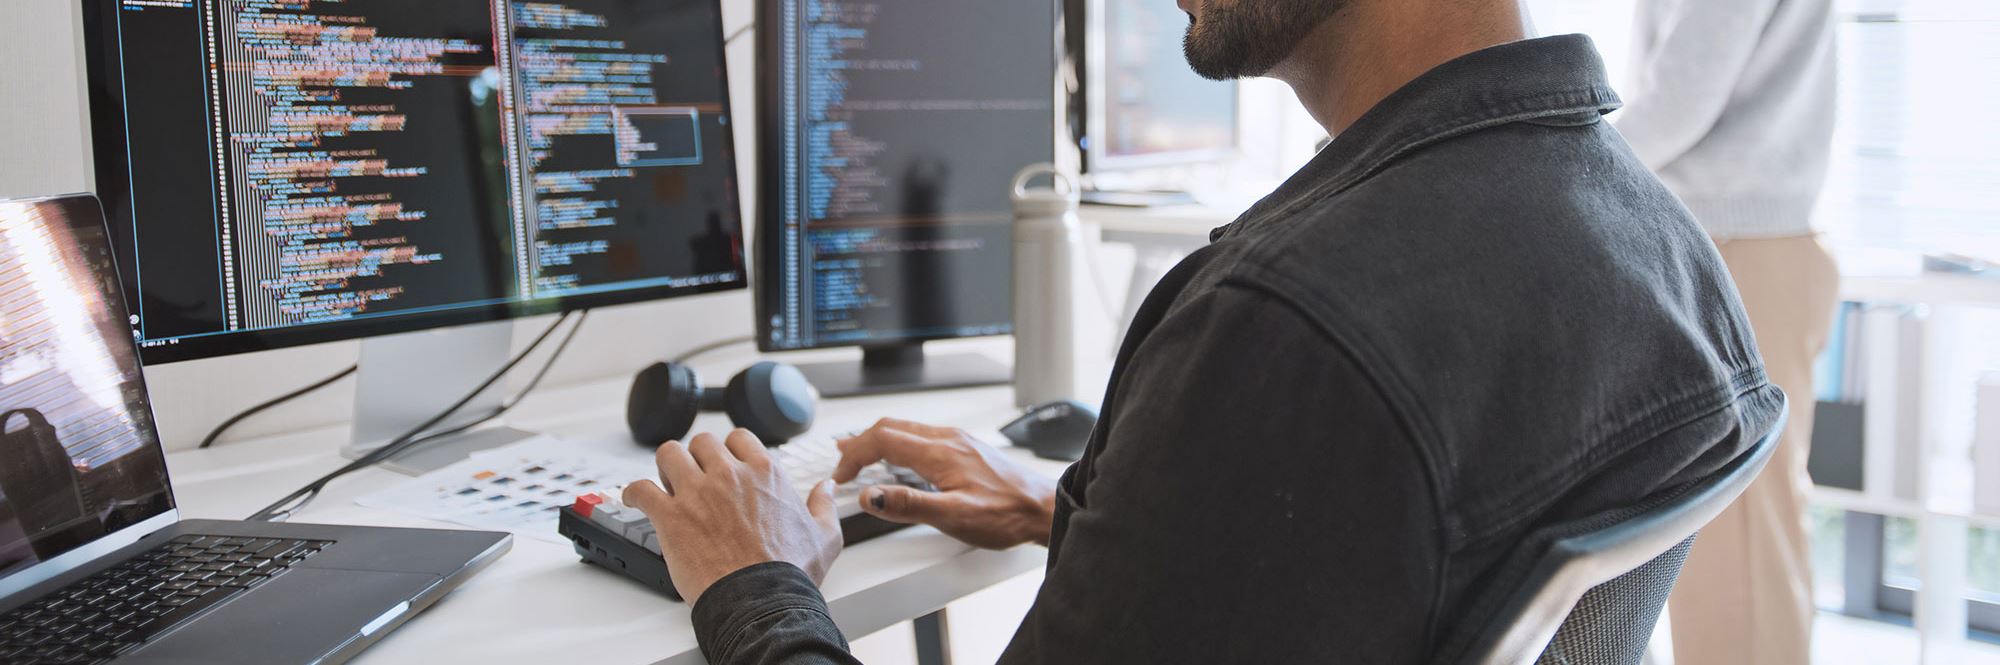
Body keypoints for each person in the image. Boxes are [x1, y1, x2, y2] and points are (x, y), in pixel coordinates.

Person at [623, 0, 1786, 661]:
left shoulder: (1285, 325)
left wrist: (756, 578)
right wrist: (1092, 515)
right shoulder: (1659, 248)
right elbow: (1392, 570)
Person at [1615, 1, 1840, 663]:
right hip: (1742, 241)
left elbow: (1684, 93)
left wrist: (1567, 160)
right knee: (1733, 540)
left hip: (1739, 245)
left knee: (1733, 546)